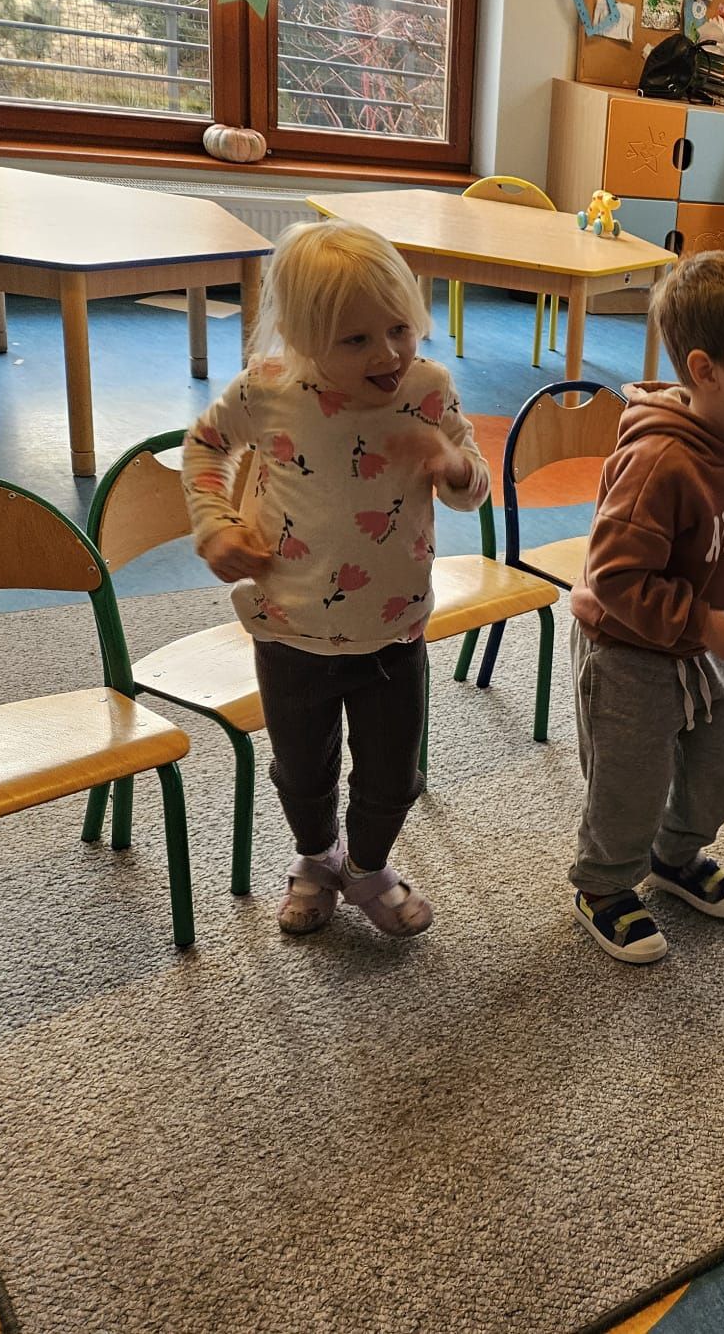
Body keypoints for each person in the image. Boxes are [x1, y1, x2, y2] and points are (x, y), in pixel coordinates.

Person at [182, 219, 490, 939]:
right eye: (355, 340)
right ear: (300, 338)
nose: (387, 353)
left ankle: (368, 869)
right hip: (290, 630)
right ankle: (317, 858)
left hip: (394, 627)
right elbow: (204, 447)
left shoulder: (428, 388)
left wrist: (452, 466)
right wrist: (215, 524)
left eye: (399, 328)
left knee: (393, 777)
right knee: (301, 772)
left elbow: (471, 485)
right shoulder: (267, 390)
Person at [567, 252, 724, 964]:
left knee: (711, 772)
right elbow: (615, 578)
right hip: (629, 650)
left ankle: (675, 857)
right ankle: (603, 885)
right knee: (629, 782)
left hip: (692, 643)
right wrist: (702, 621)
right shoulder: (660, 463)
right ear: (706, 371)